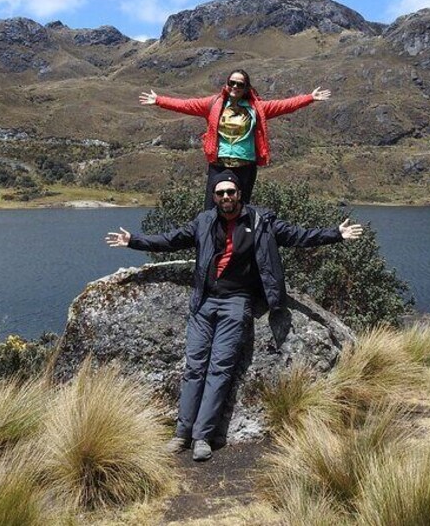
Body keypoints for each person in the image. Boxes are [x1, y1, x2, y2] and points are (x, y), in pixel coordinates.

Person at [105, 170, 363, 461]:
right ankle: (181, 434)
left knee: (220, 369)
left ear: (240, 194)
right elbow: (170, 240)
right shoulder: (204, 221)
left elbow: (298, 236)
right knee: (194, 367)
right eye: (220, 193)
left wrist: (336, 234)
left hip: (236, 303)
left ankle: (203, 436)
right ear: (214, 197)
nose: (226, 197)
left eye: (231, 192)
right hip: (203, 303)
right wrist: (133, 241)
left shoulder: (261, 221)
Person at [138, 69, 331, 208]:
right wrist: (159, 101)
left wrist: (309, 98)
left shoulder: (257, 107)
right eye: (232, 83)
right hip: (219, 164)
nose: (235, 87)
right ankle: (211, 255)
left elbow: (285, 105)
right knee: (211, 209)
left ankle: (238, 254)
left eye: (240, 84)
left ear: (246, 87)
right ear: (227, 84)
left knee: (241, 209)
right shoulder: (213, 103)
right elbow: (186, 105)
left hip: (245, 165)